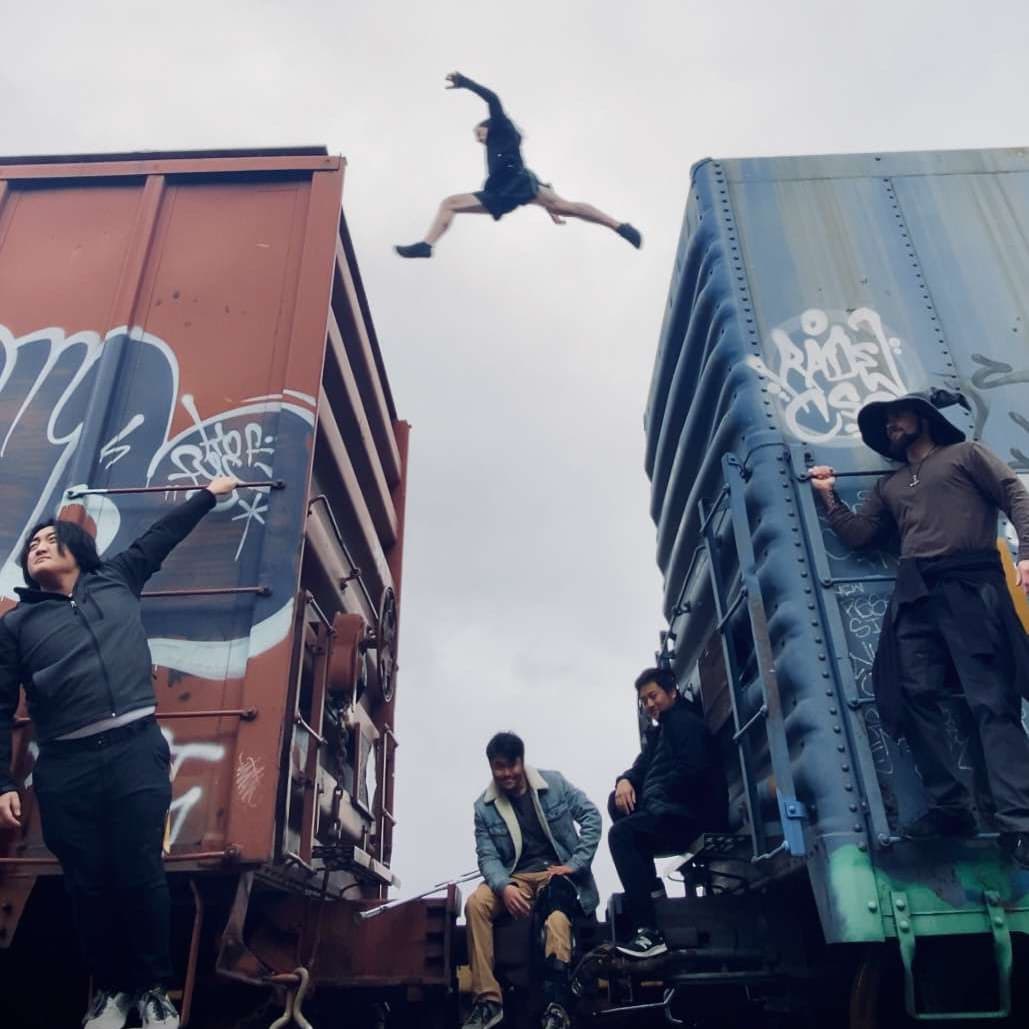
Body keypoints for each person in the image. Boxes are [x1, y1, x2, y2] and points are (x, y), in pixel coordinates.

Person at [0, 476, 240, 1029]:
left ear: (76, 550)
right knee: (88, 884)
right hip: (65, 766)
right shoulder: (16, 625)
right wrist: (4, 783)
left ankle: (153, 989)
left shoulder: (117, 578)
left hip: (135, 750)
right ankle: (112, 991)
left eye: (48, 538)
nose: (37, 545)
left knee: (139, 875)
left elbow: (163, 534)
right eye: (30, 544)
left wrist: (209, 493)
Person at [809, 388, 1029, 867]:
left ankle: (1020, 822)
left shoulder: (964, 455)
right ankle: (951, 805)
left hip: (970, 584)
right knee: (907, 692)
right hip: (916, 592)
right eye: (884, 422)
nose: (891, 425)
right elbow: (862, 536)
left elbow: (1014, 491)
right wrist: (828, 498)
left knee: (992, 701)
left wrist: (1027, 552)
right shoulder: (889, 486)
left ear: (923, 418)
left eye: (897, 416)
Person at [394, 71, 642, 258]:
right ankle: (619, 226)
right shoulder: (504, 145)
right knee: (565, 206)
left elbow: (492, 98)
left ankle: (427, 245)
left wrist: (465, 83)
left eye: (478, 132)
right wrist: (548, 207)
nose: (478, 138)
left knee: (450, 203)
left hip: (511, 185)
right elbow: (536, 183)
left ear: (488, 126)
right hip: (511, 186)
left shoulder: (500, 126)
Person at [464, 731, 601, 1029]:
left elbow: (592, 817)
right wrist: (504, 887)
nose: (506, 774)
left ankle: (557, 1006)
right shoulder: (483, 808)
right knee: (476, 903)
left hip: (557, 874)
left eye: (511, 766)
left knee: (558, 920)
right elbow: (487, 858)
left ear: (522, 762)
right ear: (491, 768)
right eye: (499, 767)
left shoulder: (554, 783)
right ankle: (488, 1002)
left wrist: (575, 864)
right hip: (515, 879)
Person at [608, 667, 728, 959]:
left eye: (653, 696)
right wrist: (624, 782)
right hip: (670, 812)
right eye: (644, 700)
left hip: (692, 815)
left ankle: (648, 932)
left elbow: (694, 771)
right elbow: (640, 769)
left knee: (622, 835)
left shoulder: (683, 723)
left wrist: (655, 800)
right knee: (618, 803)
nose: (649, 704)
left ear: (671, 692)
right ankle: (653, 893)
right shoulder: (661, 731)